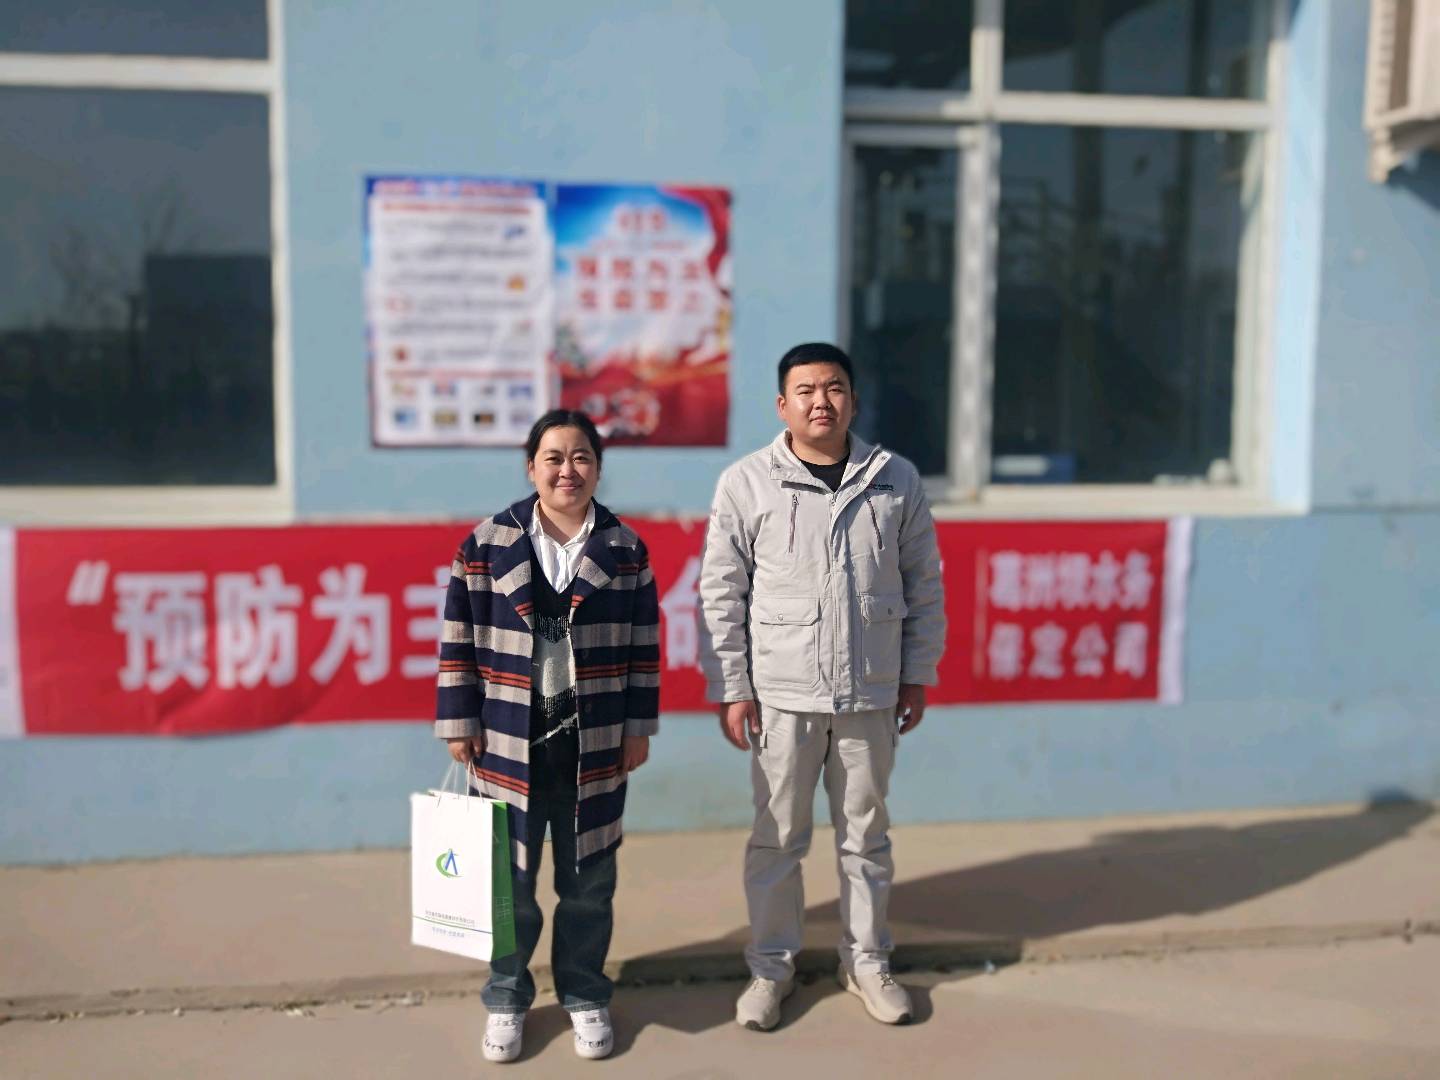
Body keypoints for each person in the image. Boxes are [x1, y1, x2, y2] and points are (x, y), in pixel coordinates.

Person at [699, 342, 945, 1031]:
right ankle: (770, 969)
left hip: (870, 692)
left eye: (833, 388)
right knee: (778, 839)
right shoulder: (747, 483)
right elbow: (720, 592)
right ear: (782, 405)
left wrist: (917, 673)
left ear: (853, 401)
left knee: (866, 837)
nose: (820, 402)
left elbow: (924, 583)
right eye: (805, 391)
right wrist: (732, 685)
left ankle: (867, 962)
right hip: (783, 695)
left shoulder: (894, 478)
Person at [435, 409, 659, 1063]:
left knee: (589, 882)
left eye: (581, 456)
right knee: (507, 885)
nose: (568, 470)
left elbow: (644, 647)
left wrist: (638, 727)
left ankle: (585, 993)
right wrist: (459, 722)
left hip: (594, 743)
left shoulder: (624, 549)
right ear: (531, 467)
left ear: (598, 468)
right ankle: (507, 997)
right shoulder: (486, 544)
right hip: (506, 741)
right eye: (554, 458)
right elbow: (458, 640)